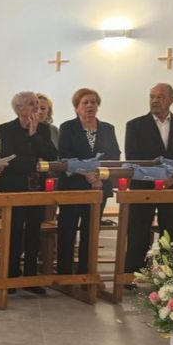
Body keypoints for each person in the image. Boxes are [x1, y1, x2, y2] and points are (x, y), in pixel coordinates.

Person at [123, 83, 173, 275]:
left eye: (160, 97)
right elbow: (133, 157)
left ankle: (168, 274)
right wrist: (157, 178)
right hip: (143, 187)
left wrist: (172, 176)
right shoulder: (135, 125)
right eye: (152, 96)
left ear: (171, 100)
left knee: (170, 232)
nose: (155, 100)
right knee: (138, 230)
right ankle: (133, 273)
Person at [0, 91, 58, 294]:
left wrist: (34, 135)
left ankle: (31, 277)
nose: (36, 108)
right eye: (32, 104)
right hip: (14, 187)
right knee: (14, 231)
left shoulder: (44, 129)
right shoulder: (7, 129)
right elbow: (11, 159)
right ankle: (11, 276)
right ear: (20, 108)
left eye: (38, 104)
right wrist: (36, 162)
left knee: (34, 232)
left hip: (37, 189)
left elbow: (51, 155)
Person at [57, 88, 120, 275]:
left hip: (99, 187)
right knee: (67, 230)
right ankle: (64, 272)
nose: (90, 105)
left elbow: (114, 155)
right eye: (85, 102)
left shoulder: (108, 129)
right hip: (73, 187)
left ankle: (86, 271)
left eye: (94, 102)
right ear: (77, 107)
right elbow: (65, 155)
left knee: (91, 232)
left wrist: (99, 175)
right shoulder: (68, 128)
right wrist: (87, 174)